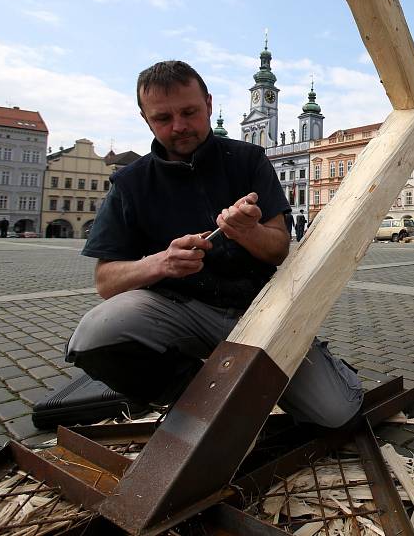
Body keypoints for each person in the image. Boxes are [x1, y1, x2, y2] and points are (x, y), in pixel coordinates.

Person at [65, 61, 363, 428]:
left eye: (189, 112)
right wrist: (160, 263)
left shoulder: (248, 159)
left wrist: (247, 232)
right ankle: (191, 394)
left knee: (337, 412)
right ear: (145, 119)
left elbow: (278, 249)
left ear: (208, 104)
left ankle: (319, 364)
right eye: (162, 118)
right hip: (177, 309)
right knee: (94, 334)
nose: (179, 126)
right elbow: (105, 281)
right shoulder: (131, 182)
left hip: (257, 309)